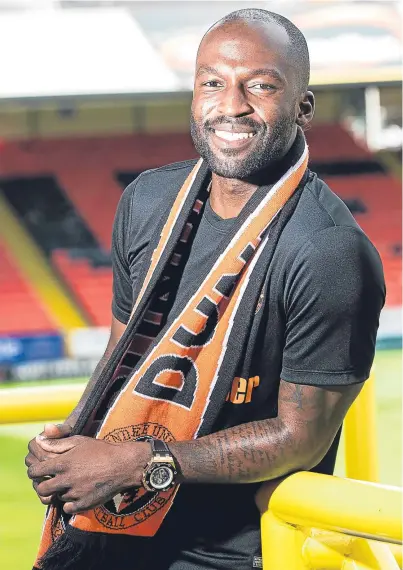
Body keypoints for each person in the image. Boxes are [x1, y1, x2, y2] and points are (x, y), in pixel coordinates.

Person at [26, 8, 385, 570]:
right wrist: (74, 434)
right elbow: (127, 355)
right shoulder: (147, 201)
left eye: (260, 86)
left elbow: (301, 438)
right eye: (213, 83)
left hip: (221, 552)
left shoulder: (329, 251)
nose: (232, 105)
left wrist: (137, 464)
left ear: (304, 107)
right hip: (111, 522)